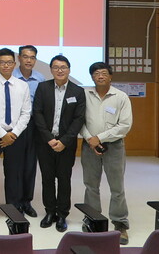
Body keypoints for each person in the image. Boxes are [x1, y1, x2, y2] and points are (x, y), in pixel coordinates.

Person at [80, 62, 133, 245]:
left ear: (110, 76)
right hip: (89, 147)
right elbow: (79, 120)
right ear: (92, 77)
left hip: (115, 147)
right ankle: (94, 220)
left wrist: (100, 138)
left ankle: (120, 224)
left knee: (117, 188)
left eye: (104, 73)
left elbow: (125, 125)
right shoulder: (85, 95)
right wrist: (90, 139)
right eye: (96, 73)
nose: (100, 76)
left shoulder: (121, 97)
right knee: (90, 185)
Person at [33, 55, 85, 232]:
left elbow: (78, 119)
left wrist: (64, 141)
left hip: (66, 144)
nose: (60, 70)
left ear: (69, 69)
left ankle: (62, 214)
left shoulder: (78, 92)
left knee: (64, 180)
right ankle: (50, 212)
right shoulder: (43, 88)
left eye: (63, 67)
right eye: (56, 67)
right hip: (45, 142)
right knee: (47, 179)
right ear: (51, 70)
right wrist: (49, 138)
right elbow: (37, 114)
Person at [0, 48, 32, 228]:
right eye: (2, 62)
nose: (6, 65)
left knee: (13, 173)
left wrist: (14, 133)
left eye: (9, 62)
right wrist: (3, 134)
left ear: (14, 64)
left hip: (15, 135)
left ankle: (12, 208)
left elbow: (26, 113)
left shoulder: (22, 85)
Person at [13, 44, 45, 218]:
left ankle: (27, 201)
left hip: (33, 125)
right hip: (15, 125)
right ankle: (16, 201)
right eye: (25, 56)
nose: (28, 60)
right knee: (16, 164)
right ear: (19, 58)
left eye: (32, 57)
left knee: (30, 165)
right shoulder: (12, 77)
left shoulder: (40, 79)